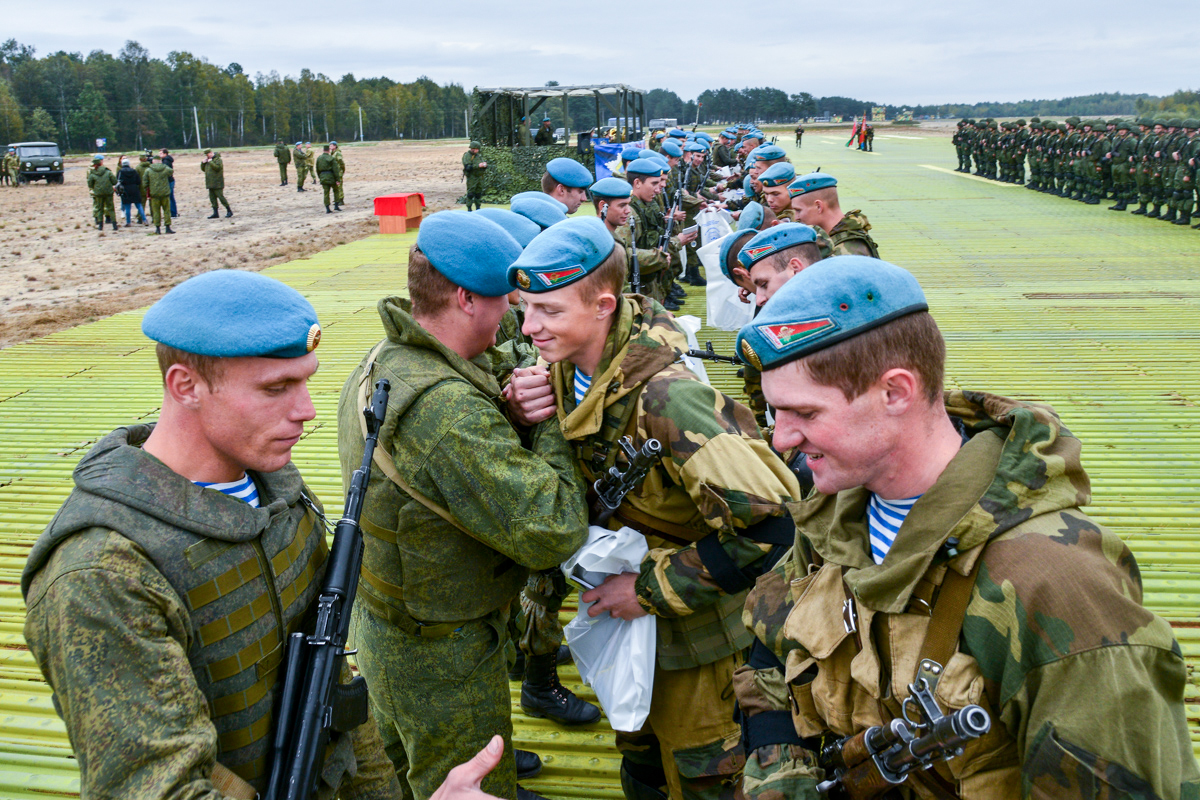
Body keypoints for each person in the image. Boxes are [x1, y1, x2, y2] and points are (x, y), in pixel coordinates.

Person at [732, 255, 1200, 799]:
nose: (781, 439)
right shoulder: (838, 513)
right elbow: (769, 648)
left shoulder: (1055, 586)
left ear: (895, 392)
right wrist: (781, 776)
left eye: (805, 415)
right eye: (775, 414)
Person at [21, 269, 403, 800]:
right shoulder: (104, 571)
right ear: (186, 386)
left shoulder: (279, 498)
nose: (306, 411)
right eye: (276, 388)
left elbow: (335, 696)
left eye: (305, 381)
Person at [507, 218, 801, 800]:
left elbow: (777, 527)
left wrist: (641, 591)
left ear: (603, 307)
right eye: (524, 309)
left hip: (700, 639)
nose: (529, 327)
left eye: (548, 311)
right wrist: (517, 411)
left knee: (705, 775)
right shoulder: (572, 367)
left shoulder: (671, 399)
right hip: (635, 629)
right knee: (640, 761)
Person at [338, 211, 590, 800]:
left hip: (387, 624)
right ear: (464, 298)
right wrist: (549, 418)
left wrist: (507, 411)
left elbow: (432, 475)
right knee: (469, 783)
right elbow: (553, 527)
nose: (515, 320)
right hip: (441, 656)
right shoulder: (446, 411)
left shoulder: (387, 359)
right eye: (506, 302)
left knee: (404, 774)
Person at [590, 176, 668, 295]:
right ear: (603, 206)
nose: (628, 210)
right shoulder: (601, 242)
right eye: (622, 206)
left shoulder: (611, 238)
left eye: (628, 205)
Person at [788, 171, 879, 257]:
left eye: (799, 210)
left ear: (819, 207)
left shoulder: (846, 252)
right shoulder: (840, 236)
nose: (796, 218)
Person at [86, 154, 118, 232]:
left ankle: (100, 225)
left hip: (98, 193)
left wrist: (96, 188)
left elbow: (90, 184)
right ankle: (114, 225)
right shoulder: (107, 171)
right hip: (108, 192)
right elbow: (114, 181)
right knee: (111, 208)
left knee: (100, 209)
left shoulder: (92, 173)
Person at [145, 153, 175, 235]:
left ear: (153, 161)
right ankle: (168, 227)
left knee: (156, 211)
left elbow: (145, 183)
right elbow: (171, 171)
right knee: (167, 211)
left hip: (154, 194)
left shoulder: (148, 170)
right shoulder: (165, 168)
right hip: (165, 193)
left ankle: (157, 228)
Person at [200, 148, 232, 219]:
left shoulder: (218, 160)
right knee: (212, 199)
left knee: (221, 197)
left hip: (217, 183)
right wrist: (203, 163)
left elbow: (218, 168)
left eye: (207, 154)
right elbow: (203, 169)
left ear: (211, 153)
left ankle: (229, 210)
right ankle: (215, 213)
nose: (207, 156)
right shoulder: (208, 160)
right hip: (210, 183)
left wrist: (211, 162)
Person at [116, 157, 146, 227]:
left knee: (127, 207)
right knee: (139, 205)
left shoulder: (120, 172)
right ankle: (145, 220)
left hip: (125, 190)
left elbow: (118, 181)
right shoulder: (134, 171)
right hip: (135, 189)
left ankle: (128, 222)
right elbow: (138, 181)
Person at [317, 144, 343, 213]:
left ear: (323, 150)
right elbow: (335, 170)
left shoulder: (319, 158)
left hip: (323, 176)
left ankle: (327, 208)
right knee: (336, 190)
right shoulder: (331, 158)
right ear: (329, 150)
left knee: (326, 193)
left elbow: (317, 169)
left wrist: (320, 177)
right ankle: (336, 206)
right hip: (331, 177)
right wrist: (338, 179)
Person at [463, 141, 487, 211]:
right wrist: (478, 166)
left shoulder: (478, 156)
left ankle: (478, 208)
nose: (478, 151)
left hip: (479, 177)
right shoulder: (467, 156)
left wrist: (484, 165)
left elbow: (482, 164)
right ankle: (469, 208)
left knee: (478, 193)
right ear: (473, 148)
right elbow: (467, 167)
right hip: (472, 177)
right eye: (477, 149)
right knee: (470, 193)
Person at [159, 149, 178, 217]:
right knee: (171, 197)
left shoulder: (166, 161)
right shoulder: (167, 160)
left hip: (168, 181)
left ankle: (172, 213)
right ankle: (174, 212)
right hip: (171, 180)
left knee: (169, 197)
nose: (159, 155)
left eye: (161, 153)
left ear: (165, 154)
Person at [331, 141, 347, 207]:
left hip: (338, 171)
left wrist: (342, 170)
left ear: (335, 146)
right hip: (335, 171)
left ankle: (341, 200)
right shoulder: (333, 153)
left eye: (331, 145)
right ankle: (337, 199)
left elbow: (341, 162)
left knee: (339, 186)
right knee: (336, 186)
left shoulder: (337, 153)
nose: (330, 147)